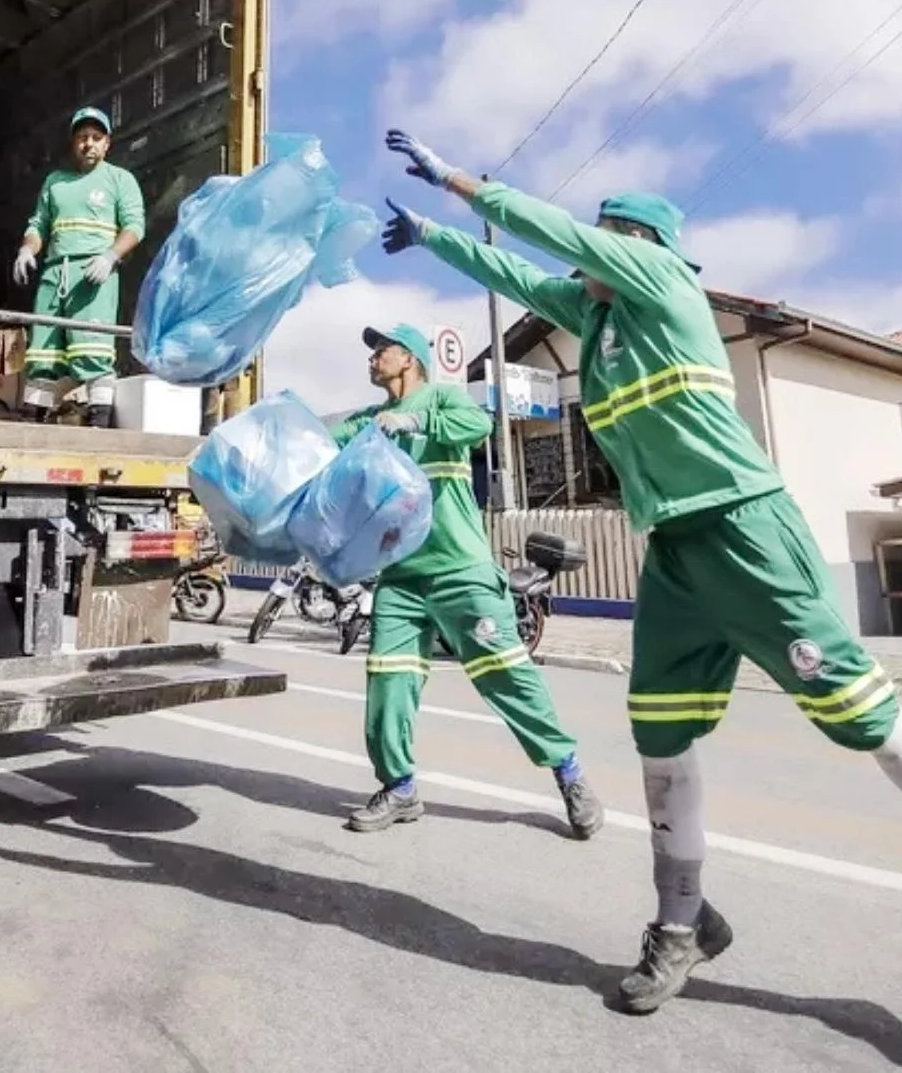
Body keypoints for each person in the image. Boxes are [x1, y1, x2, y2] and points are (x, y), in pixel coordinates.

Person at [378, 127, 902, 1014]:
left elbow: (552, 235)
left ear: (641, 244)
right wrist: (432, 238)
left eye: (607, 235)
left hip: (744, 527)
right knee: (658, 731)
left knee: (862, 717)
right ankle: (682, 922)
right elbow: (515, 273)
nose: (588, 252)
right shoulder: (598, 319)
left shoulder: (665, 283)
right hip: (673, 549)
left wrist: (460, 183)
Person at [330, 322, 605, 840]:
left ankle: (569, 773)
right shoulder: (369, 422)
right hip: (401, 578)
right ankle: (399, 788)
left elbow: (478, 426)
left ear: (409, 358)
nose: (371, 358)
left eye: (381, 350)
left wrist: (414, 420)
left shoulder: (444, 400)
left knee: (507, 675)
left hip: (461, 568)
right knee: (388, 682)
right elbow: (323, 444)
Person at [13, 107, 145, 428]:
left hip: (93, 276)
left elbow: (134, 227)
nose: (89, 144)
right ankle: (32, 421)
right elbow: (38, 225)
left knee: (93, 350)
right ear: (73, 143)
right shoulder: (55, 182)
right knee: (42, 353)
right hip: (54, 274)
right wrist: (27, 249)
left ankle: (99, 422)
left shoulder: (119, 180)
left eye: (96, 138)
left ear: (107, 144)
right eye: (83, 137)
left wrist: (110, 256)